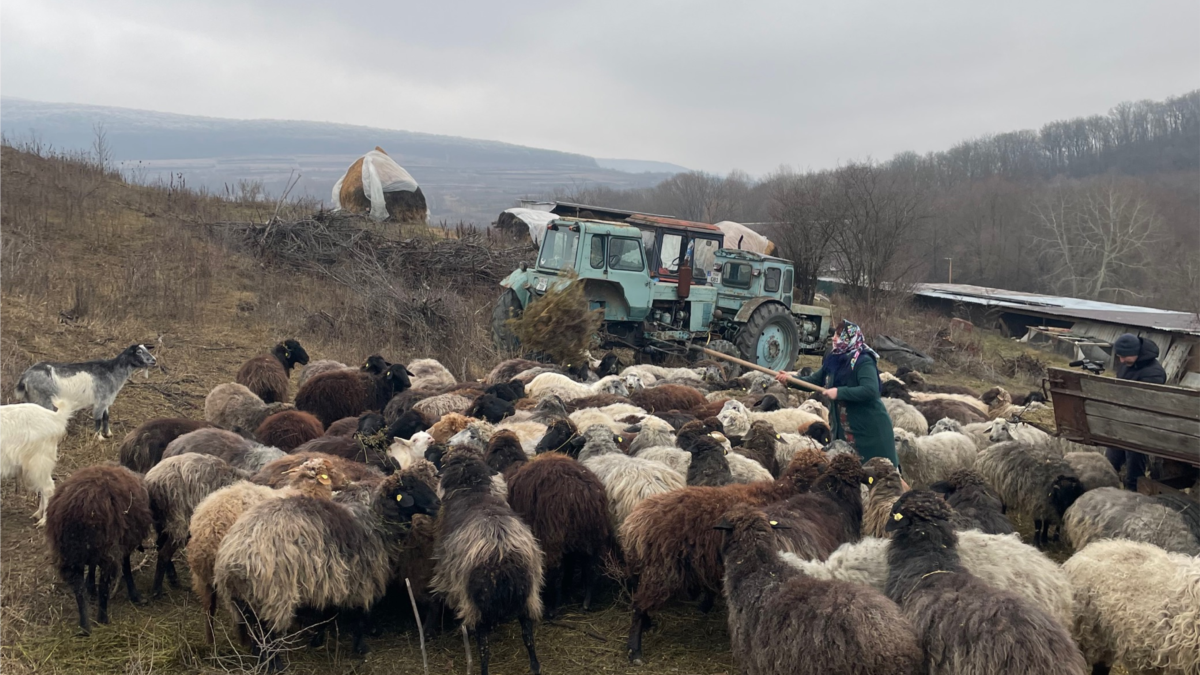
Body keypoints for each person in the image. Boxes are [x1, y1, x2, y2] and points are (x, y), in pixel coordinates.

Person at [775, 320, 898, 466]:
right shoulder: (834, 358)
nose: (834, 338)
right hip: (842, 430)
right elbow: (815, 380)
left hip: (869, 431)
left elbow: (870, 390)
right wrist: (790, 380)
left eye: (839, 335)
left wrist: (840, 392)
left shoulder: (863, 361)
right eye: (835, 334)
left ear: (850, 338)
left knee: (879, 473)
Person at [1105, 333, 1167, 491]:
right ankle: (1106, 490)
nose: (1121, 361)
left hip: (1140, 426)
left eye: (1124, 357)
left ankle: (1133, 496)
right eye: (1119, 357)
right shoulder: (1127, 365)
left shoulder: (1154, 373)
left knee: (1134, 467)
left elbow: (1144, 402)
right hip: (1122, 422)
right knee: (1109, 464)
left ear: (1136, 352)